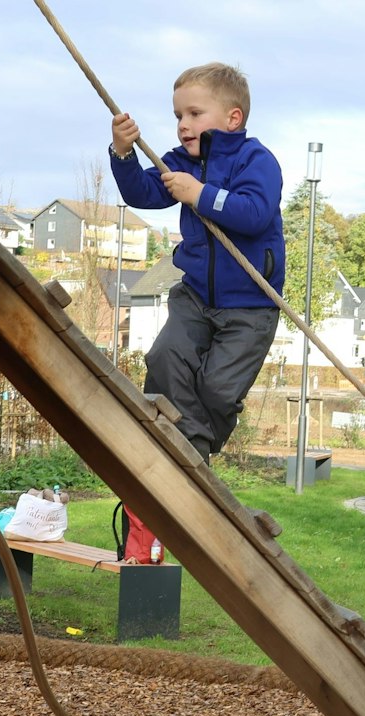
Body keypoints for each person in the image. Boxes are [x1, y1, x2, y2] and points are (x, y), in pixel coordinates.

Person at [109, 62, 284, 461]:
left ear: (232, 117)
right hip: (196, 295)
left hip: (250, 304)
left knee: (218, 389)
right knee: (164, 357)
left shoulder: (256, 161)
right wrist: (123, 154)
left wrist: (200, 194)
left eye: (194, 114)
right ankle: (189, 449)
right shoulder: (180, 161)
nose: (182, 125)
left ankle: (197, 448)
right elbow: (144, 194)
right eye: (178, 116)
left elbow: (255, 213)